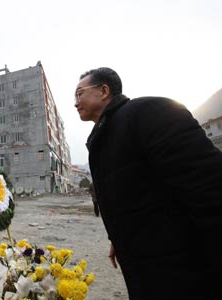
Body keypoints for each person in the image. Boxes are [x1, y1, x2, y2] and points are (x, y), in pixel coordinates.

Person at [74, 67, 222, 300]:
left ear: (104, 91)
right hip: (143, 265)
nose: (76, 102)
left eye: (79, 93)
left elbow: (210, 189)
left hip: (182, 268)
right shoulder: (102, 136)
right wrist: (118, 237)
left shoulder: (148, 113)